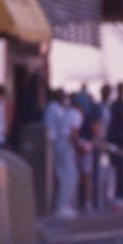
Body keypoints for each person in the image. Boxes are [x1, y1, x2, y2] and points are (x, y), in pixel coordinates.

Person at [45, 89, 81, 217]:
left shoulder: (64, 110)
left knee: (68, 175)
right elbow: (71, 133)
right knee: (67, 175)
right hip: (62, 143)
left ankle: (65, 204)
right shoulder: (54, 108)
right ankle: (62, 206)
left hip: (61, 143)